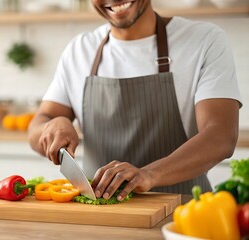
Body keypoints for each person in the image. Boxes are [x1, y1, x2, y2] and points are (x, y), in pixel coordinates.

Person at [28, 0, 242, 200]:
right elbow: (37, 127)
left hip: (182, 215)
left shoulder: (204, 41)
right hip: (101, 218)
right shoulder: (79, 50)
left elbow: (220, 135)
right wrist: (52, 125)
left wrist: (149, 174)